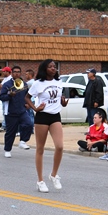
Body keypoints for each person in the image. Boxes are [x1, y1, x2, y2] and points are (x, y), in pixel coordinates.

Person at [25, 59, 68, 193]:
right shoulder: (38, 83)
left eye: (54, 66)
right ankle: (40, 181)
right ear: (45, 69)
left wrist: (64, 103)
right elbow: (27, 97)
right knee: (40, 149)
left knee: (60, 146)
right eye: (50, 67)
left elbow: (60, 99)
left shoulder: (59, 82)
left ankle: (54, 175)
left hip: (55, 116)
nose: (53, 69)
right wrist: (35, 109)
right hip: (42, 116)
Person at [0, 66, 33, 158]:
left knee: (29, 124)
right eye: (15, 72)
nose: (17, 73)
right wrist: (9, 95)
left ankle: (23, 141)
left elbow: (28, 96)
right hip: (10, 112)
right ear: (12, 73)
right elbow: (1, 97)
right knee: (11, 132)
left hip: (22, 111)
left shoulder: (24, 84)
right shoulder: (7, 84)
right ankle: (7, 150)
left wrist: (28, 104)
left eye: (18, 72)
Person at [0, 66, 12, 132]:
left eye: (4, 71)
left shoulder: (10, 79)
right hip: (4, 97)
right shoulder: (5, 79)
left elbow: (5, 87)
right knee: (4, 112)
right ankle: (4, 126)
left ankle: (5, 126)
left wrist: (2, 86)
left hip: (7, 98)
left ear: (8, 72)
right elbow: (1, 86)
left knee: (6, 112)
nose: (3, 72)